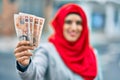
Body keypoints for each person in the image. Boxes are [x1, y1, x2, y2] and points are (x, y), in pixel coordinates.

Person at [14, 3, 103, 80]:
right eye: (68, 22)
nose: (74, 28)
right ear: (60, 24)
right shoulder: (47, 51)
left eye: (79, 23)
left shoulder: (92, 54)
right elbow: (34, 76)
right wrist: (25, 65)